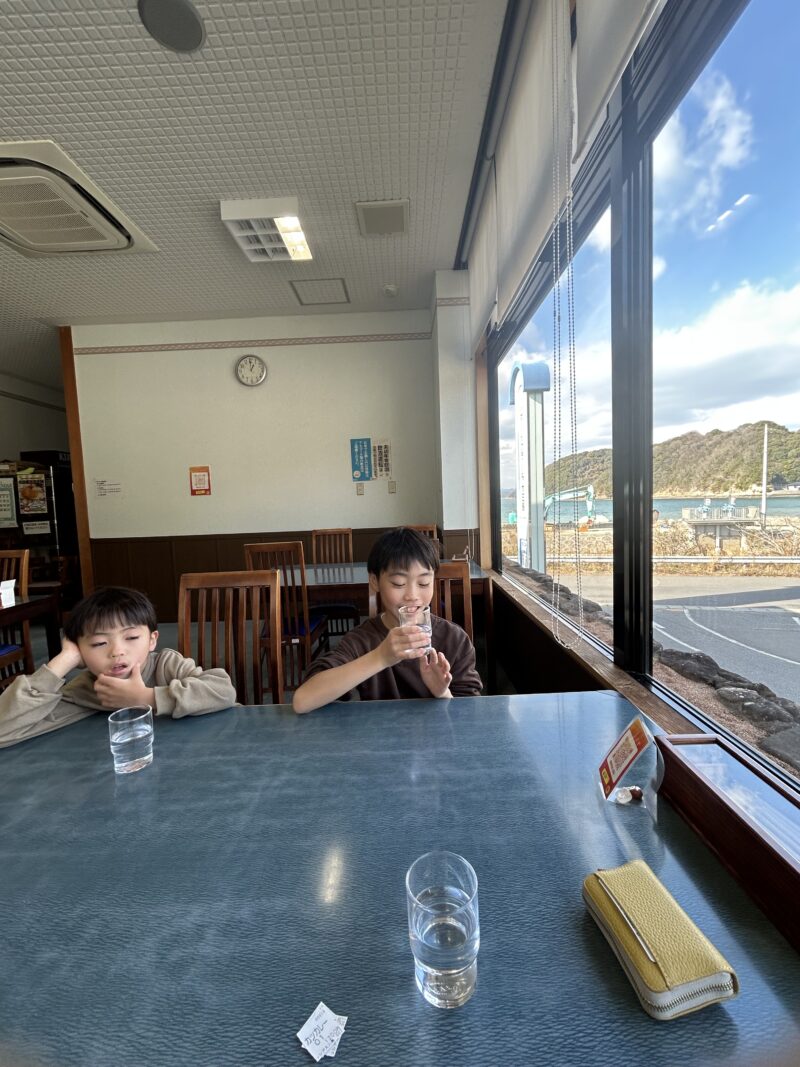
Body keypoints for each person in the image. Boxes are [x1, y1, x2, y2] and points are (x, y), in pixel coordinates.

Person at [0, 585, 237, 749]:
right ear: (80, 651)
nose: (117, 651)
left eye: (131, 637)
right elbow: (4, 730)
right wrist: (64, 660)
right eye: (98, 643)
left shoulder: (166, 665)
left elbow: (224, 691)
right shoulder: (86, 690)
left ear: (152, 640)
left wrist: (145, 697)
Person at [293, 527, 482, 713]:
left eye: (423, 583)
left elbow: (471, 714)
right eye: (398, 584)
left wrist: (442, 693)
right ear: (375, 581)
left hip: (439, 733)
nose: (412, 595)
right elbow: (302, 700)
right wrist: (381, 657)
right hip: (380, 732)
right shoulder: (362, 640)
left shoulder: (454, 639)